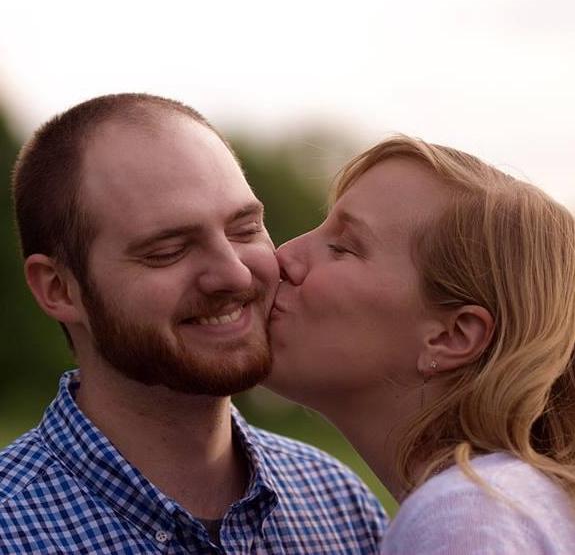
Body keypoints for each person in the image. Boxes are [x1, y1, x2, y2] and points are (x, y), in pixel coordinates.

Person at [1, 93, 387, 554]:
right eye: (169, 251)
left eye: (245, 229)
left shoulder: (341, 508)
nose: (235, 274)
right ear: (59, 288)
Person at [268, 135, 575, 554]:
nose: (283, 255)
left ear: (452, 336)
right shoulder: (527, 505)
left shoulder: (468, 517)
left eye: (342, 247)